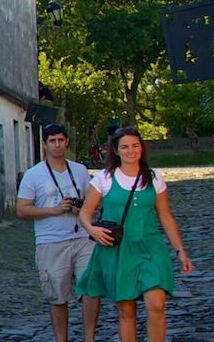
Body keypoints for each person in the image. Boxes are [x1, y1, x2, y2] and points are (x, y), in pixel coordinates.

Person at [76, 127, 196, 342]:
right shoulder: (105, 178)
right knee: (127, 311)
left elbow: (165, 216)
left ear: (142, 147)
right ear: (116, 150)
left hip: (150, 248)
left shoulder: (153, 178)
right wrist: (92, 229)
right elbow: (85, 212)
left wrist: (180, 251)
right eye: (125, 147)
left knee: (157, 305)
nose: (131, 151)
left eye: (135, 145)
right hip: (119, 251)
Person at [15, 124, 100, 342]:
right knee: (58, 296)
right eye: (52, 141)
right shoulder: (34, 175)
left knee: (91, 289)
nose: (57, 145)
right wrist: (54, 210)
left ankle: (89, 338)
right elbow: (22, 209)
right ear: (44, 144)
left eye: (61, 140)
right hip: (51, 241)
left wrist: (80, 209)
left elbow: (93, 203)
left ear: (67, 142)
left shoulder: (79, 170)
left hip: (82, 237)